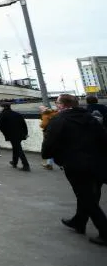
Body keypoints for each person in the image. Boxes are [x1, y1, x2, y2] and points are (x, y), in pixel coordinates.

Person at [41, 94, 107, 246]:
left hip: (75, 164)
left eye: (57, 103)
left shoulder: (59, 120)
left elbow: (49, 144)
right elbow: (104, 139)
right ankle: (79, 221)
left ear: (63, 105)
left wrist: (51, 156)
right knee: (90, 194)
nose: (56, 105)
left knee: (86, 197)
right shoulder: (90, 118)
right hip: (97, 163)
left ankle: (104, 231)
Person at [0, 103, 30, 171]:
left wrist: (5, 134)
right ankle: (14, 162)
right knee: (16, 147)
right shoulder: (17, 114)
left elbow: (1, 126)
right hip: (20, 134)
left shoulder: (2, 115)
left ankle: (26, 165)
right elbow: (24, 124)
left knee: (18, 149)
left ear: (3, 107)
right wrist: (25, 133)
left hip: (11, 134)